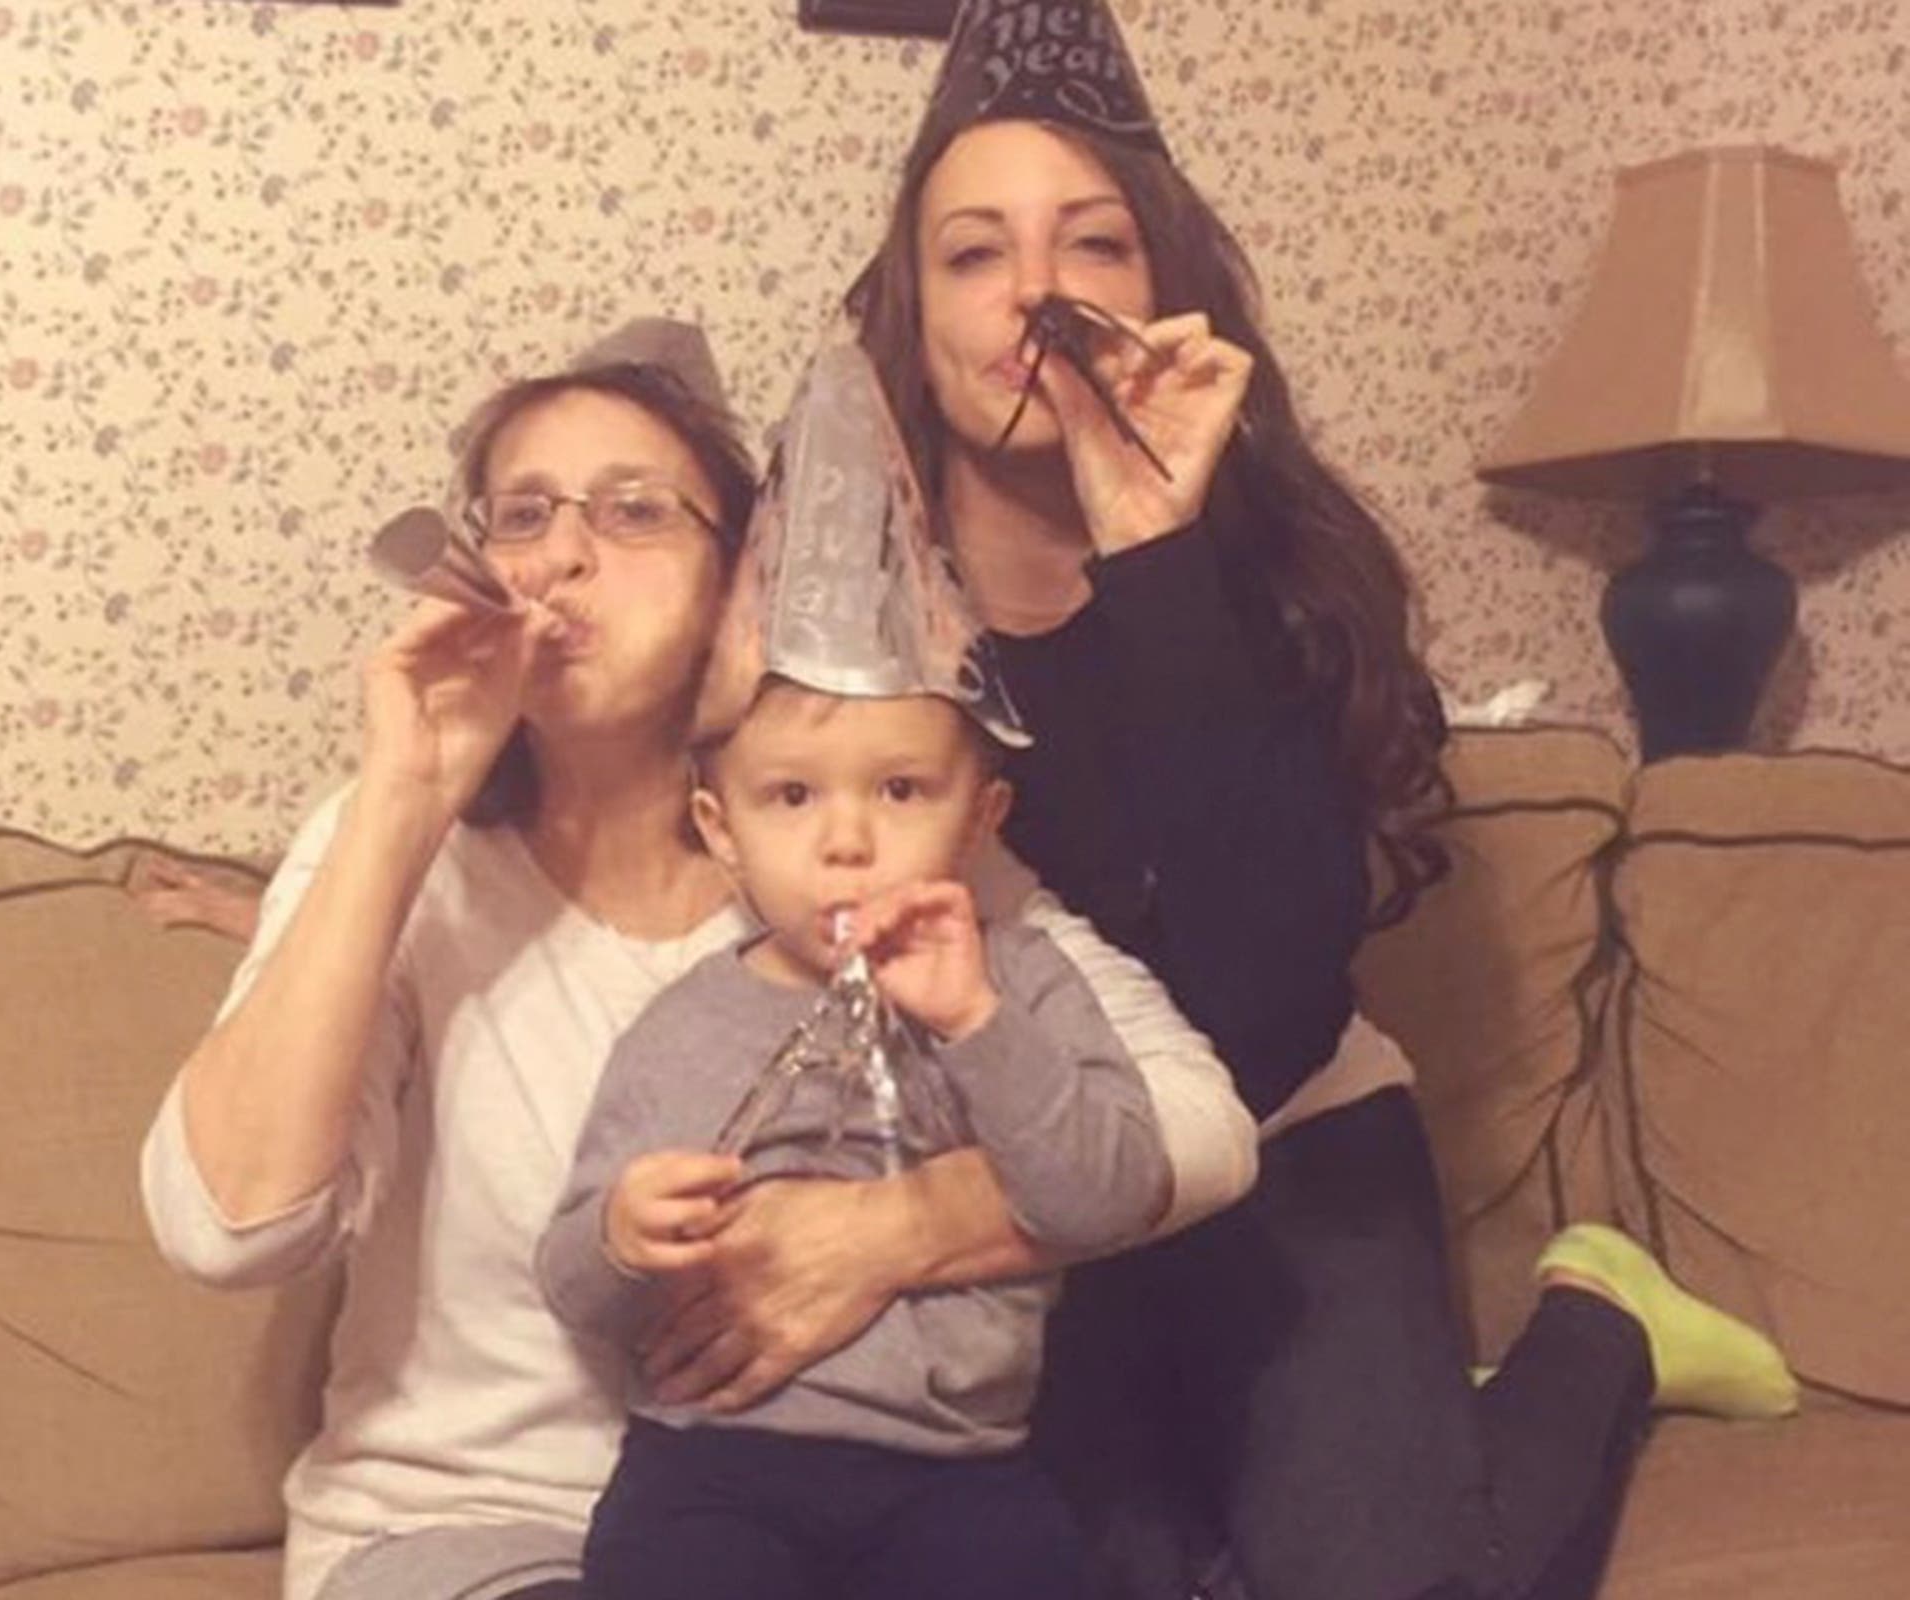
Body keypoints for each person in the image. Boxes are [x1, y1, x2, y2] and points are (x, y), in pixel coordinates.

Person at [836, 4, 1802, 1598]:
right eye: (972, 253)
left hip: (1293, 1148)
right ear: (908, 311)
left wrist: (1157, 553)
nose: (1034, 293)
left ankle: (1600, 1322)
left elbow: (1266, 1013)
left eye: (1094, 243)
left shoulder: (1270, 574)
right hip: (1027, 1200)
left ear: (1163, 301)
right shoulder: (842, 624)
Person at [139, 321, 1257, 1600]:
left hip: (844, 1521)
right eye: (522, 515)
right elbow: (227, 1229)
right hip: (471, 1535)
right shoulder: (398, 848)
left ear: (738, 584)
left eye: (632, 511)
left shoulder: (861, 855)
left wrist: (899, 1226)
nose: (563, 554)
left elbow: (1204, 1128)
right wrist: (405, 801)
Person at [537, 344, 1192, 1600]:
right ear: (721, 829)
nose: (846, 837)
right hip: (713, 1467)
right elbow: (573, 1280)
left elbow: (1109, 1197)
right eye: (791, 797)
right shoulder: (687, 1023)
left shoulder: (1025, 982)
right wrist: (624, 1238)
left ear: (981, 813)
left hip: (962, 1473)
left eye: (900, 789)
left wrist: (981, 1021)